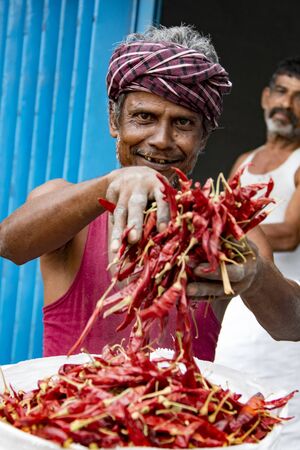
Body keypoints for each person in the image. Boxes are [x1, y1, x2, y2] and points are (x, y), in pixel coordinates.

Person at [0, 26, 300, 361]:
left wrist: (257, 275)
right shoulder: (67, 204)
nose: (161, 139)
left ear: (203, 138)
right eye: (144, 117)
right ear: (115, 121)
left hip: (183, 413)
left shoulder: (225, 227)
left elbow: (291, 324)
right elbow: (10, 244)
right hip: (69, 410)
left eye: (184, 123)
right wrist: (109, 185)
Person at [215, 56, 300, 448]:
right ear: (266, 97)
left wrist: (219, 227)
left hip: (285, 310)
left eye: (299, 97)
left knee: (279, 428)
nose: (287, 103)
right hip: (240, 316)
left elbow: (290, 234)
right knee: (227, 419)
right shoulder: (243, 162)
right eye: (281, 91)